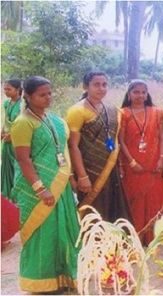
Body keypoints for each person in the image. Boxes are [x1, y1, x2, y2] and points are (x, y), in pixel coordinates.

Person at [10, 76, 80, 292]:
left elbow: (63, 151)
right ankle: (40, 281)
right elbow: (23, 160)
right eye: (42, 94)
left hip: (61, 187)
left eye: (50, 93)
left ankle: (64, 276)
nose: (48, 98)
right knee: (43, 233)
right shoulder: (23, 122)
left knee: (65, 230)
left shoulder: (54, 120)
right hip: (38, 189)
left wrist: (70, 179)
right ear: (28, 96)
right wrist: (40, 188)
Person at [66, 71, 130, 222]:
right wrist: (82, 176)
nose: (101, 88)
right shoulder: (77, 111)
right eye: (96, 85)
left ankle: (111, 241)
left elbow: (115, 141)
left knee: (110, 207)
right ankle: (92, 242)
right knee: (92, 211)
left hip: (110, 168)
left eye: (104, 84)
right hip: (88, 171)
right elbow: (72, 146)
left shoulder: (112, 110)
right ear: (85, 86)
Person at [119, 80, 163, 245]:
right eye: (136, 92)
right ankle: (135, 237)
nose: (140, 96)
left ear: (147, 94)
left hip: (154, 164)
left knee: (153, 201)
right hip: (133, 166)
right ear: (129, 94)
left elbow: (162, 137)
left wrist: (162, 159)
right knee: (135, 201)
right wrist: (132, 162)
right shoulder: (123, 113)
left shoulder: (156, 112)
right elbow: (120, 140)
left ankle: (150, 237)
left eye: (143, 92)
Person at [2, 79, 23, 201]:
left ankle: (16, 196)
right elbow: (6, 121)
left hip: (17, 143)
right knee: (6, 166)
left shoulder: (22, 105)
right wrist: (2, 133)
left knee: (16, 167)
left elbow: (22, 125)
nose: (6, 92)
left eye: (8, 89)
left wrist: (12, 136)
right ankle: (6, 194)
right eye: (5, 89)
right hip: (7, 141)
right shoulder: (7, 104)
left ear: (17, 90)